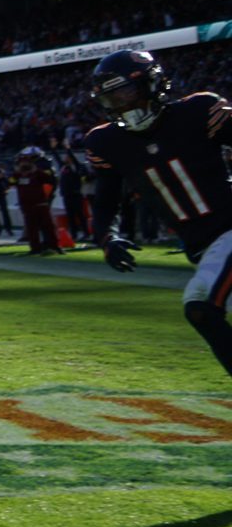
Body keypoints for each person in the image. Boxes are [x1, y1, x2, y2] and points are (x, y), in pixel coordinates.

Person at [84, 50, 232, 376]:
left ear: (150, 83)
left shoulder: (198, 110)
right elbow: (107, 200)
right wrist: (108, 238)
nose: (120, 103)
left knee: (201, 306)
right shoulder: (106, 141)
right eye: (111, 97)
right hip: (203, 247)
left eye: (124, 91)